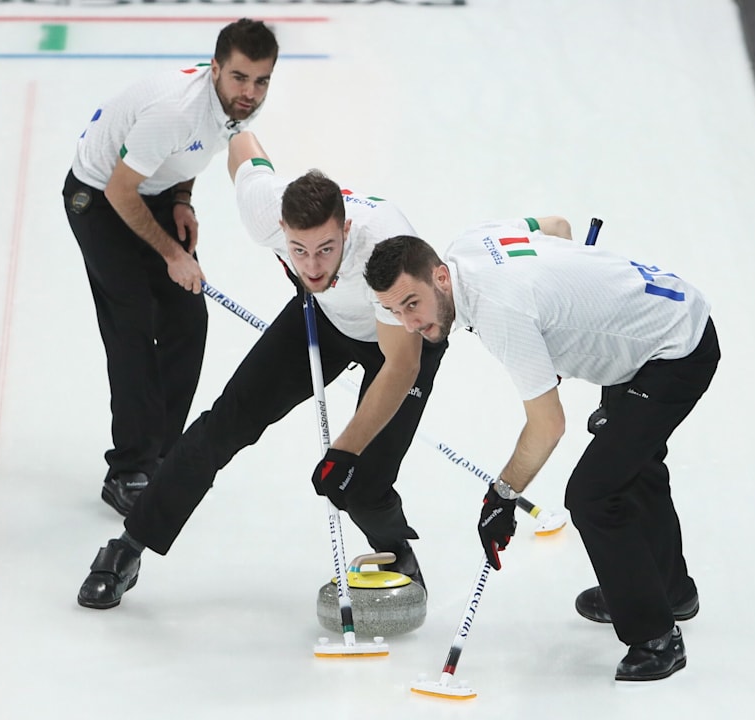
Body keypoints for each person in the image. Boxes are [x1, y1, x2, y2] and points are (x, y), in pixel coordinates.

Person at [76, 131, 447, 610]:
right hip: (325, 317)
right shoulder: (263, 213)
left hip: (403, 336)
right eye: (299, 250)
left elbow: (400, 365)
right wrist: (189, 190)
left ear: (347, 230)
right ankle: (129, 545)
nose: (312, 266)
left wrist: (343, 452)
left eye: (326, 249)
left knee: (363, 477)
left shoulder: (384, 253)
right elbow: (241, 142)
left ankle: (397, 554)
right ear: (280, 230)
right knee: (222, 426)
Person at [364, 219, 719, 682]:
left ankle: (656, 636)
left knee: (593, 494)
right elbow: (554, 225)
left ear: (441, 278)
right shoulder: (468, 246)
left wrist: (503, 495)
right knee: (634, 464)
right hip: (646, 330)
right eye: (396, 312)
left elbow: (548, 426)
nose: (411, 324)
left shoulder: (498, 311)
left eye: (413, 304)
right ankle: (668, 590)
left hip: (675, 349)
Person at [62, 19, 279, 516]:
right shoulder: (175, 111)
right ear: (216, 68)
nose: (250, 92)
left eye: (262, 80)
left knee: (187, 321)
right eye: (241, 78)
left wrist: (181, 198)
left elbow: (185, 160)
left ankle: (161, 454)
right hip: (97, 197)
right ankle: (128, 470)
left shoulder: (232, 109)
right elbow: (119, 190)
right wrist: (173, 255)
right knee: (132, 325)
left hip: (151, 194)